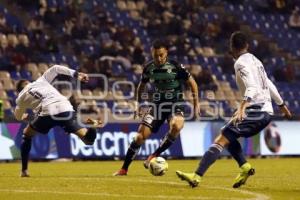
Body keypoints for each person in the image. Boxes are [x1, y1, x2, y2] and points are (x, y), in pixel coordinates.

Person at [176, 31, 292, 188]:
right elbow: (268, 84)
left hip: (256, 110)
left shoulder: (240, 63)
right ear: (247, 45)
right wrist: (282, 105)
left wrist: (243, 107)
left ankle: (196, 176)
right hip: (266, 111)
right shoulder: (256, 61)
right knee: (228, 135)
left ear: (232, 47)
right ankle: (245, 167)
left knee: (221, 139)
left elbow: (251, 87)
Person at [114, 39, 200, 176]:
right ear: (151, 53)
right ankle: (124, 169)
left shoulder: (176, 66)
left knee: (177, 126)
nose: (159, 58)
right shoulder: (149, 68)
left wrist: (196, 104)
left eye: (161, 55)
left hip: (175, 103)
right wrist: (138, 104)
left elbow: (193, 83)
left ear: (166, 52)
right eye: (155, 56)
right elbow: (141, 86)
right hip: (157, 105)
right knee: (139, 137)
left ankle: (154, 155)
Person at [15, 64, 101, 177]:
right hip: (64, 106)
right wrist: (76, 74)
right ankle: (93, 126)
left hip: (47, 111)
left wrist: (23, 116)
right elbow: (55, 68)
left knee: (27, 134)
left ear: (19, 90)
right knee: (88, 140)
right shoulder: (41, 81)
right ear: (28, 82)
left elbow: (17, 116)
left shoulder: (20, 97)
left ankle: (24, 171)